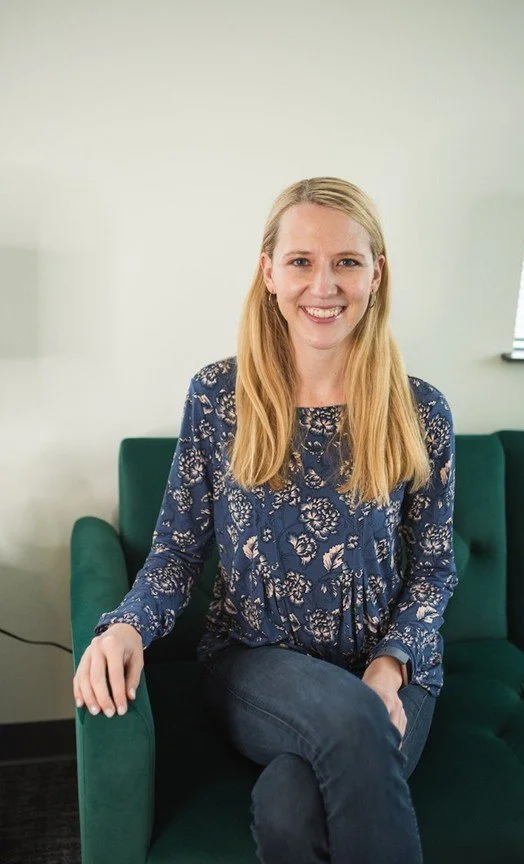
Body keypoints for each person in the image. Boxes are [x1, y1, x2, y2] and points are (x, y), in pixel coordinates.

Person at [72, 176, 458, 864]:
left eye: (346, 262)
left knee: (288, 806)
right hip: (253, 667)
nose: (324, 285)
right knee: (349, 719)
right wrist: (125, 624)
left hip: (386, 672)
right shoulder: (218, 396)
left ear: (376, 275)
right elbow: (175, 550)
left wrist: (388, 669)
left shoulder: (419, 409)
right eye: (301, 261)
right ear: (269, 273)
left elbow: (432, 570)